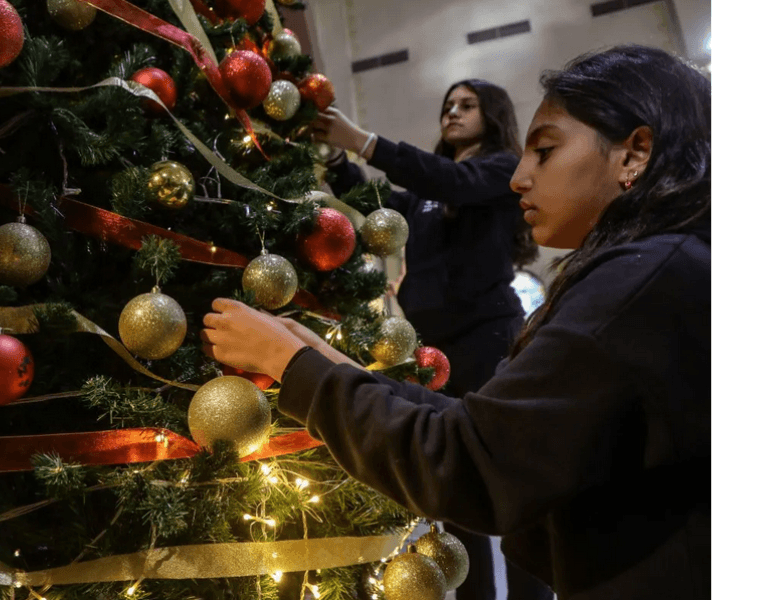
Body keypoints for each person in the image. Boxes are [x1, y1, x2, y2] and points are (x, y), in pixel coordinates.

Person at [201, 44, 710, 600]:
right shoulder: (660, 267)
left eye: (544, 151)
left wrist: (288, 363)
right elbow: (484, 432)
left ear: (635, 153)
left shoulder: (638, 283)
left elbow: (472, 462)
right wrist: (329, 363)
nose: (521, 178)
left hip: (481, 334)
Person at [311, 80, 546, 600]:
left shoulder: (498, 168)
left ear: (494, 114)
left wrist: (364, 141)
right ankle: (476, 590)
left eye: (467, 105)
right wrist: (336, 159)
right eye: (447, 107)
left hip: (488, 338)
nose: (452, 114)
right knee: (453, 479)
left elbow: (451, 180)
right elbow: (384, 205)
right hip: (434, 345)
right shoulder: (429, 197)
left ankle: (534, 593)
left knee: (506, 473)